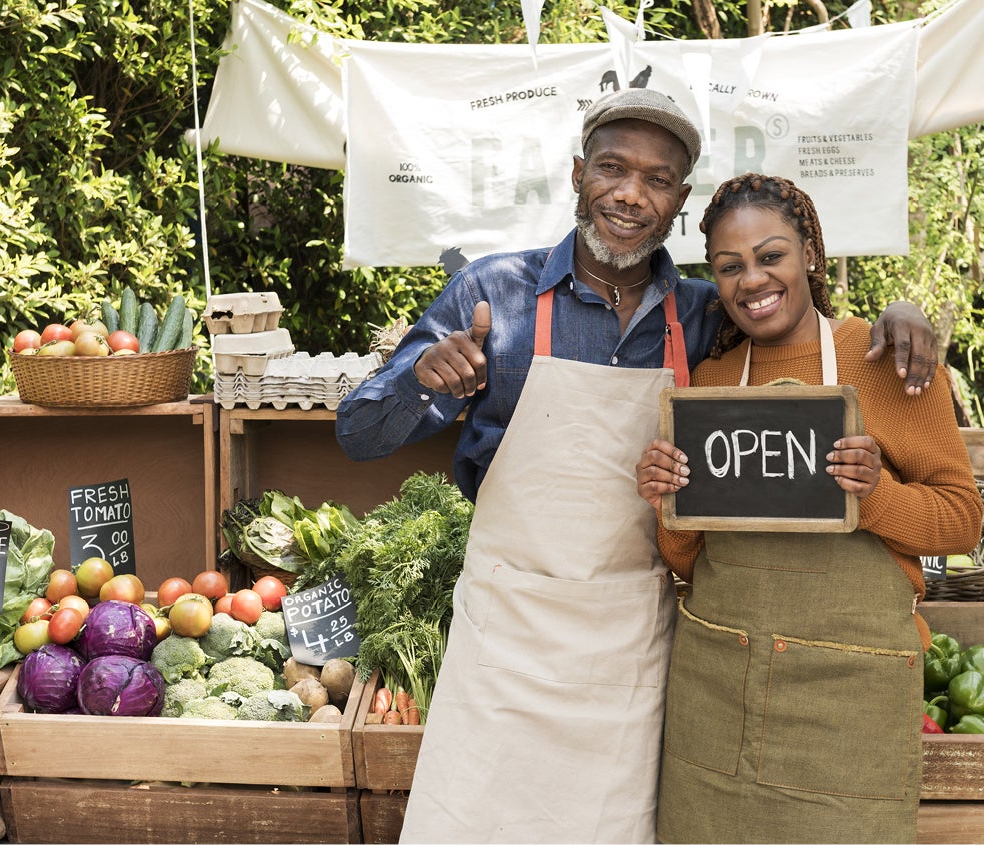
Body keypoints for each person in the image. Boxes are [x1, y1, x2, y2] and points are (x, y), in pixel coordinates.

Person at [336, 89, 939, 843]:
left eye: (657, 179)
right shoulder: (495, 293)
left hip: (632, 641)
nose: (630, 193)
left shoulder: (703, 312)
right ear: (579, 173)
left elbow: (790, 313)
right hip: (507, 639)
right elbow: (357, 433)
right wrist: (421, 376)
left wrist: (899, 314)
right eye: (613, 168)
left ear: (679, 201)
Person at [635, 173, 983, 844]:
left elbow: (961, 519)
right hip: (718, 692)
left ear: (811, 254)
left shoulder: (886, 362)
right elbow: (687, 559)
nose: (751, 279)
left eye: (772, 256)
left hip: (846, 700)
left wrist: (874, 495)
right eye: (729, 267)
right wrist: (666, 501)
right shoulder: (708, 385)